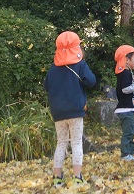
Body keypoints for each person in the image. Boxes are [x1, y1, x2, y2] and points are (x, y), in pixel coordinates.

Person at [43, 31, 97, 187]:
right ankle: (77, 177)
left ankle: (57, 178)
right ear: (76, 47)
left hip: (58, 112)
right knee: (76, 143)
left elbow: (46, 86)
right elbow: (91, 81)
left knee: (61, 142)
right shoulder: (80, 65)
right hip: (75, 110)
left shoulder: (53, 69)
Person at [114, 44, 134, 161]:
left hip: (129, 108)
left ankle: (132, 152)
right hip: (125, 109)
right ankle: (125, 154)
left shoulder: (126, 73)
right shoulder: (125, 73)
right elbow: (125, 89)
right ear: (126, 60)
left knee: (131, 132)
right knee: (128, 133)